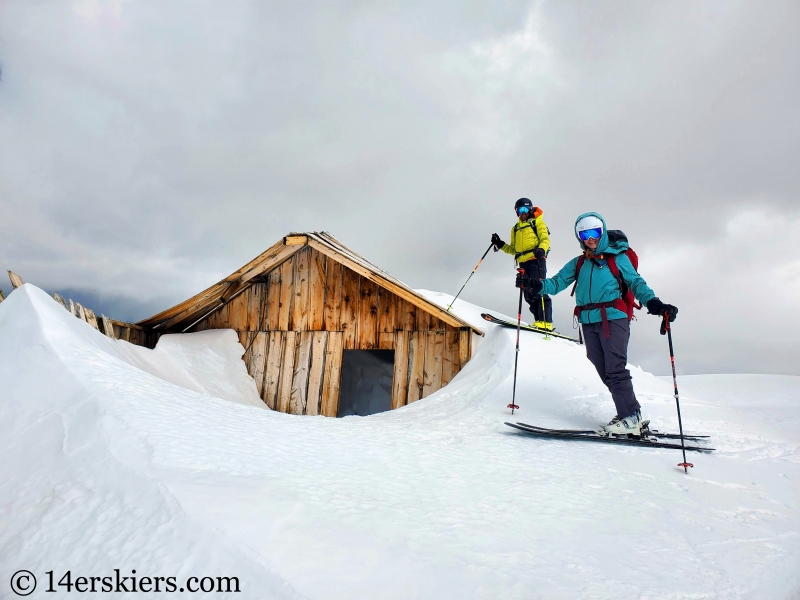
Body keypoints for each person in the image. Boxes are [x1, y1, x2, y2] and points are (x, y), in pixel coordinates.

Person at [517, 212, 678, 436]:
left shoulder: (617, 258)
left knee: (615, 367)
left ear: (601, 232)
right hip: (588, 320)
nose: (590, 238)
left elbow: (636, 282)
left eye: (594, 232)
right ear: (579, 237)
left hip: (613, 317)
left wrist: (655, 303)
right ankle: (630, 413)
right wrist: (534, 285)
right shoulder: (580, 262)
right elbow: (557, 282)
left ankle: (629, 417)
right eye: (585, 234)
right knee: (602, 367)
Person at [491, 198, 553, 331]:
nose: (522, 213)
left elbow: (545, 239)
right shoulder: (515, 229)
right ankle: (538, 320)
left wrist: (541, 249)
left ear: (530, 209)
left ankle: (546, 321)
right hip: (523, 263)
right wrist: (500, 244)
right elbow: (514, 249)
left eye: (525, 209)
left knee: (539, 288)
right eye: (519, 210)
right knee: (527, 292)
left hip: (536, 259)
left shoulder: (537, 223)